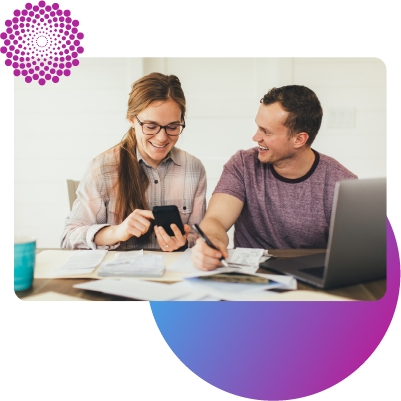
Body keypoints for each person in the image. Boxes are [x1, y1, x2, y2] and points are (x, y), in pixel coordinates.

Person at [191, 85, 357, 271]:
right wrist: (210, 243)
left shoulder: (342, 184)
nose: (255, 137)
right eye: (257, 127)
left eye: (266, 131)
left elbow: (354, 252)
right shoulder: (242, 165)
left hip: (311, 278)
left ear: (299, 140)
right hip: (250, 276)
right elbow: (216, 220)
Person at [61, 73, 206, 251]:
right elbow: (68, 238)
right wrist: (116, 232)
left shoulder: (194, 168)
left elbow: (200, 237)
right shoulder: (103, 167)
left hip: (172, 274)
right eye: (151, 126)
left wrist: (185, 243)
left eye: (173, 127)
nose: (162, 138)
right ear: (132, 120)